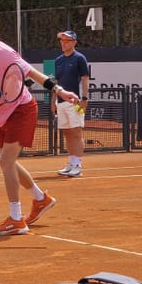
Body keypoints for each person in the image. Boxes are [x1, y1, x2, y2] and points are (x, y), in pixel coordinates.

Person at [0, 9, 80, 236]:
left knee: (6, 162)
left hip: (22, 109)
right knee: (9, 162)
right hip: (4, 114)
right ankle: (40, 199)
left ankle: (16, 219)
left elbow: (32, 73)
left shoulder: (4, 53)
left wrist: (59, 90)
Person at [53, 30, 90, 177]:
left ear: (74, 42)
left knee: (76, 132)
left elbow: (85, 79)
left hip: (75, 102)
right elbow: (56, 82)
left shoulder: (80, 58)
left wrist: (85, 99)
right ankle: (71, 163)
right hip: (61, 102)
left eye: (67, 40)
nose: (63, 43)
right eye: (62, 40)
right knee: (67, 133)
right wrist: (53, 101)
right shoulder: (58, 60)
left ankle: (77, 165)